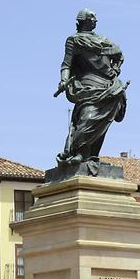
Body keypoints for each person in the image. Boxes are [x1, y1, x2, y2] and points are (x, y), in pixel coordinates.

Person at [55, 9, 128, 165]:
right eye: (92, 18)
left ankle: (90, 156)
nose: (96, 20)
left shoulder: (104, 40)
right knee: (87, 117)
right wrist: (63, 80)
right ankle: (79, 152)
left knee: (102, 123)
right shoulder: (73, 41)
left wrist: (115, 69)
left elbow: (119, 56)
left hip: (109, 86)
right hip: (88, 84)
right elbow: (66, 64)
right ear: (83, 21)